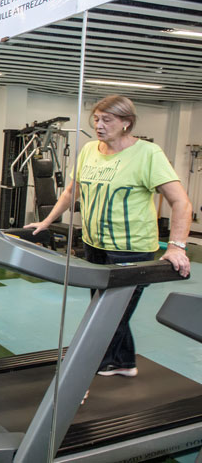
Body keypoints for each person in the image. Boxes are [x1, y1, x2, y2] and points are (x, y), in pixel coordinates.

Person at [28, 95, 191, 377]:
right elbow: (71, 192)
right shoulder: (89, 150)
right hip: (94, 244)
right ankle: (124, 362)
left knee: (109, 312)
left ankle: (95, 364)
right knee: (105, 307)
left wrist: (177, 246)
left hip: (131, 249)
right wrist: (46, 221)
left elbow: (181, 202)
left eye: (107, 120)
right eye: (96, 119)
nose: (99, 125)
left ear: (126, 123)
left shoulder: (148, 154)